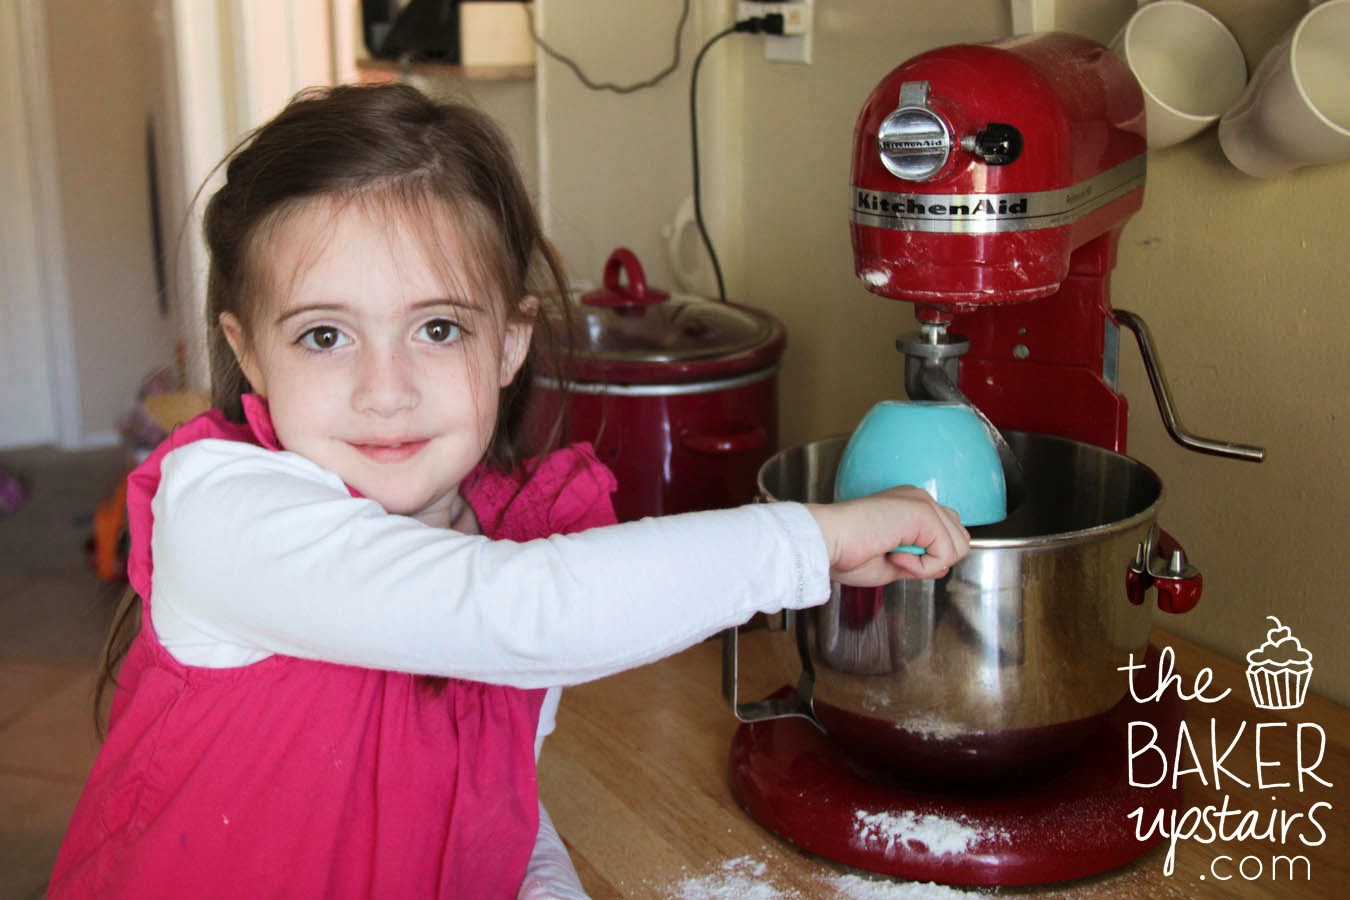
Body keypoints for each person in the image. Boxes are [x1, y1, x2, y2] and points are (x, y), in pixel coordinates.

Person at [49, 83, 969, 900]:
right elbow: (522, 611)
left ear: (510, 344)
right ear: (248, 350)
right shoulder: (225, 511)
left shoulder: (510, 536)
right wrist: (812, 539)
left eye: (438, 328)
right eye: (325, 336)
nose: (386, 389)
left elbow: (500, 803)